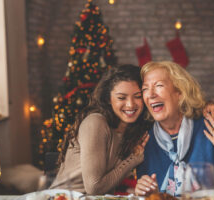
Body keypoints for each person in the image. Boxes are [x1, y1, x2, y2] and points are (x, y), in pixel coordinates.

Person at [135, 61, 214, 197]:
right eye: (145, 89)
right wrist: (146, 192)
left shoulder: (212, 125)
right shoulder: (145, 139)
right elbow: (148, 194)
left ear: (179, 92)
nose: (150, 94)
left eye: (159, 86)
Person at [50, 64, 152, 194]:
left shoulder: (133, 130)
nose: (131, 104)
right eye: (121, 97)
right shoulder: (96, 122)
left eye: (137, 96)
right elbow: (94, 188)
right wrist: (133, 159)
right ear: (108, 99)